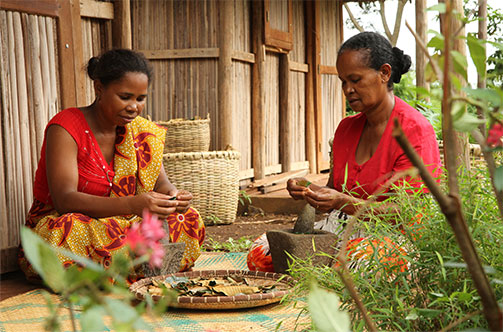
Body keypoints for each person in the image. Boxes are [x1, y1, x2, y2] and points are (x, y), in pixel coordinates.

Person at [247, 31, 441, 273]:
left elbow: (406, 213)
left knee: (353, 262)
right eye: (343, 81)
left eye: (355, 80)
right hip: (339, 229)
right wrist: (308, 189)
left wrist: (344, 202)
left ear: (384, 73)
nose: (348, 89)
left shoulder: (415, 131)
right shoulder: (346, 128)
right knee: (261, 253)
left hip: (394, 238)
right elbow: (334, 192)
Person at [19, 49, 205, 282]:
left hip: (123, 224)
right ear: (99, 88)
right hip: (69, 223)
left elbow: (161, 182)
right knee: (69, 229)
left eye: (140, 99)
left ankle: (124, 269)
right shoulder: (66, 127)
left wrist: (172, 196)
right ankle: (134, 268)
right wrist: (131, 204)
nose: (133, 107)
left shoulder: (141, 131)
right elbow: (64, 200)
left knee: (186, 218)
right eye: (125, 97)